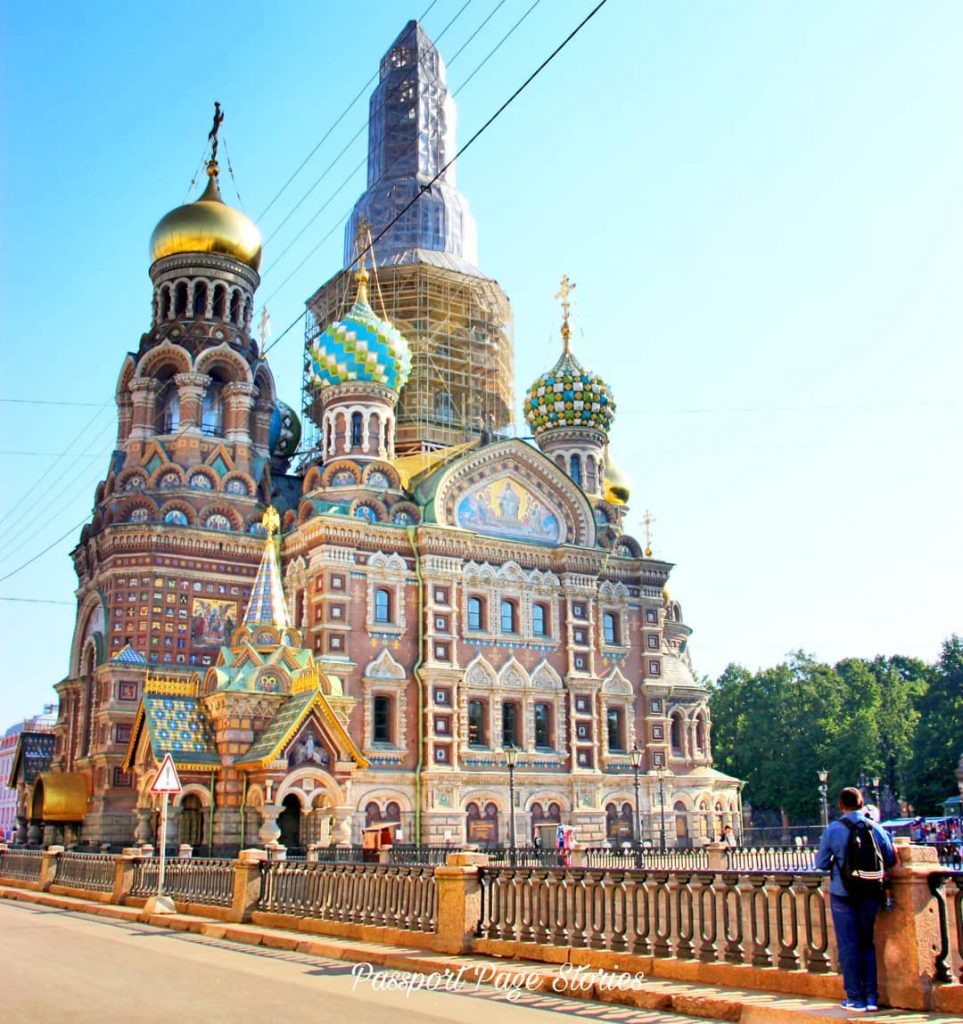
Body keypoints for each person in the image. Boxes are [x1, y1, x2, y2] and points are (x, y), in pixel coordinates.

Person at [816, 786, 896, 1013]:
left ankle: (855, 998)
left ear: (841, 806)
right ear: (862, 804)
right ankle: (872, 997)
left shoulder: (834, 829)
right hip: (870, 892)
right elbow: (889, 858)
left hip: (843, 894)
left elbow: (820, 863)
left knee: (849, 946)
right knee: (866, 943)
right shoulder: (876, 828)